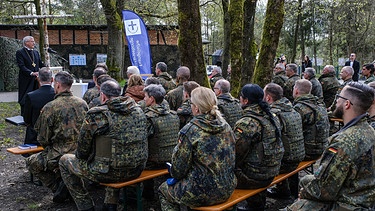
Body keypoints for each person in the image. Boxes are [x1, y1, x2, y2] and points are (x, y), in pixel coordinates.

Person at [59, 80, 148, 211]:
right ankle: (110, 204)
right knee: (114, 157)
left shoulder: (97, 115)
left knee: (64, 160)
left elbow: (82, 150)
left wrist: (86, 156)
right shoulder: (138, 110)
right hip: (136, 169)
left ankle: (86, 206)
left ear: (103, 96)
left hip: (109, 172)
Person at [285, 82, 375, 211]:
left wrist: (304, 188)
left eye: (339, 97)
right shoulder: (369, 130)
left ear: (347, 104)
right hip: (362, 199)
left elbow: (323, 190)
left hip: (346, 205)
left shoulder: (344, 142)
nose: (336, 101)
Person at [158, 87, 237, 210]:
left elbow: (179, 170)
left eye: (191, 104)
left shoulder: (190, 130)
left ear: (197, 108)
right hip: (227, 186)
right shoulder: (225, 126)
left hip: (201, 192)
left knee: (164, 190)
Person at [26, 71, 88, 203]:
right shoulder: (83, 104)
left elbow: (42, 138)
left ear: (58, 85)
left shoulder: (50, 107)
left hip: (58, 153)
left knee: (31, 162)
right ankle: (64, 185)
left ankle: (57, 187)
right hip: (81, 151)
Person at [234, 84, 284, 211]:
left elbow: (235, 154)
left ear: (245, 100)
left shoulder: (248, 122)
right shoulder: (271, 116)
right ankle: (256, 205)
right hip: (272, 172)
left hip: (255, 178)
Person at [263, 83, 305, 200]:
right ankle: (285, 190)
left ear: (268, 98)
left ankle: (255, 204)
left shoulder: (274, 114)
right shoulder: (292, 109)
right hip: (298, 157)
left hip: (286, 163)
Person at [143, 84, 180, 199]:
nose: (143, 99)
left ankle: (147, 194)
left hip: (153, 163)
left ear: (151, 99)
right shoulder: (174, 115)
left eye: (145, 97)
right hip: (171, 159)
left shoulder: (148, 118)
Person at [293, 79, 329, 160]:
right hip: (323, 147)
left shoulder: (299, 108)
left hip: (309, 152)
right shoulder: (320, 104)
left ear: (296, 91)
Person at [23, 67, 55, 146]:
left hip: (35, 137)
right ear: (52, 79)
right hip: (53, 134)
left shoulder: (31, 96)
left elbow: (27, 119)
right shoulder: (56, 95)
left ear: (38, 79)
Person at [16, 36, 45, 116]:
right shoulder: (20, 52)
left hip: (36, 79)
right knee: (25, 96)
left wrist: (47, 69)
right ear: (26, 43)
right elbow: (22, 66)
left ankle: (34, 113)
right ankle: (24, 114)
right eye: (32, 41)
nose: (34, 43)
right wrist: (31, 73)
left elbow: (40, 63)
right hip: (26, 78)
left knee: (36, 95)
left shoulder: (35, 52)